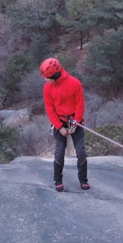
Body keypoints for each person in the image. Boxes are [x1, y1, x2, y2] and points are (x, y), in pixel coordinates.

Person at [40, 57, 90, 192]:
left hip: (75, 121)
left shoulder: (75, 83)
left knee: (81, 151)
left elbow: (80, 105)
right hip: (59, 122)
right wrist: (59, 127)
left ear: (55, 76)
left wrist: (75, 123)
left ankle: (83, 180)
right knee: (59, 152)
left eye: (47, 77)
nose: (45, 80)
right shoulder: (47, 88)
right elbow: (50, 109)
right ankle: (58, 180)